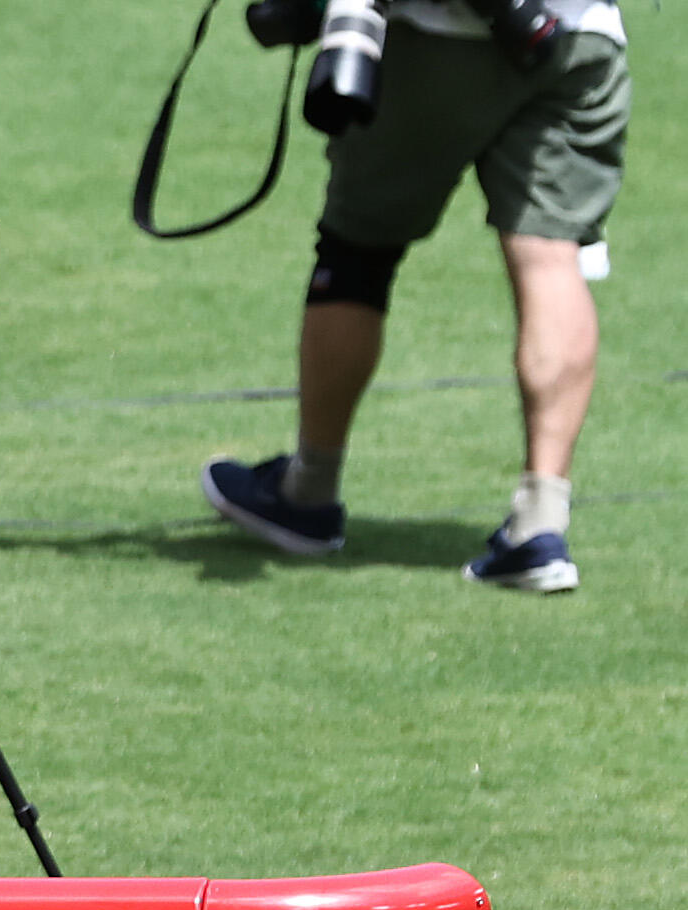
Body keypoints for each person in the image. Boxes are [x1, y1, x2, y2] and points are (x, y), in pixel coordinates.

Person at [201, 1, 627, 592]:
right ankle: (540, 523)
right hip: (580, 35)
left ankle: (309, 491)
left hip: (437, 35)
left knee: (357, 254)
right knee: (551, 257)